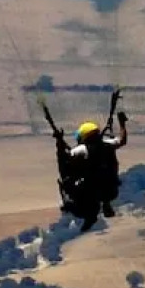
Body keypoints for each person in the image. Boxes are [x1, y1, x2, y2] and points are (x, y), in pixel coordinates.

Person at [43, 91, 128, 231]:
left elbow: (65, 160)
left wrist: (59, 142)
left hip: (89, 192)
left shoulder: (82, 150)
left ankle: (91, 215)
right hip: (109, 189)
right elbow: (122, 140)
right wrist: (122, 124)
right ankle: (105, 204)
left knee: (67, 177)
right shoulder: (108, 144)